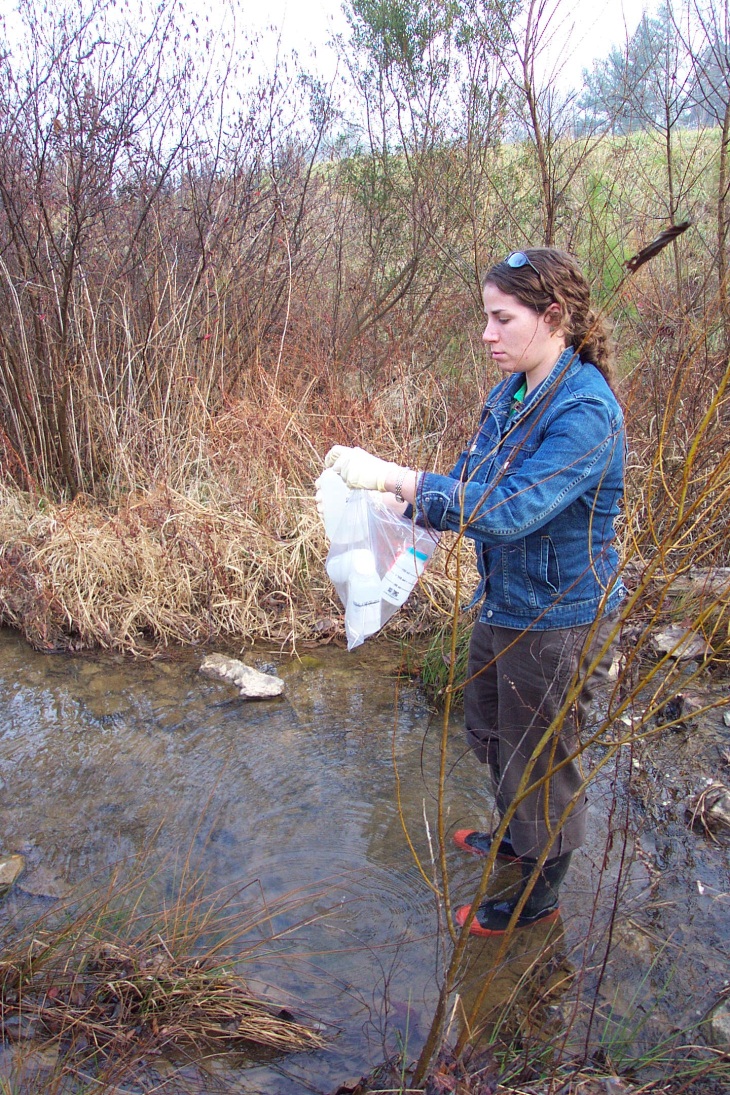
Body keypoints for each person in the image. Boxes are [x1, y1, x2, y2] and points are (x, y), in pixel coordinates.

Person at [325, 247, 625, 937]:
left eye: (501, 318)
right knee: (489, 729)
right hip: (503, 601)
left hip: (558, 616)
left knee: (541, 756)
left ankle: (538, 898)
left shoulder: (585, 413)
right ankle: (519, 838)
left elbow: (510, 507)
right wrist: (409, 514)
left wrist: (400, 477)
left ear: (554, 317)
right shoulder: (514, 391)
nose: (486, 334)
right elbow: (471, 474)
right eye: (485, 318)